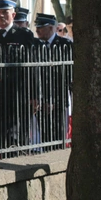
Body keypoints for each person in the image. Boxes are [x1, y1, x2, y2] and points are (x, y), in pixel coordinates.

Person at [0, 0, 37, 155]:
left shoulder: (23, 35)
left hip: (17, 92)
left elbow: (32, 67)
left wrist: (34, 94)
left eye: (5, 12)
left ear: (13, 15)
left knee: (16, 135)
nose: (1, 15)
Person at [34, 13, 72, 148]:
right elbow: (34, 76)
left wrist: (54, 101)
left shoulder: (65, 45)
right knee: (44, 138)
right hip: (40, 101)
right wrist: (37, 98)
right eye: (36, 27)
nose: (37, 30)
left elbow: (67, 78)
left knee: (58, 137)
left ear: (50, 28)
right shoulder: (35, 45)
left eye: (41, 27)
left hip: (59, 102)